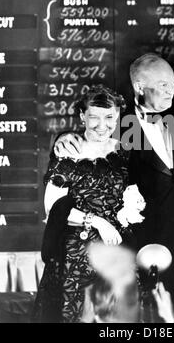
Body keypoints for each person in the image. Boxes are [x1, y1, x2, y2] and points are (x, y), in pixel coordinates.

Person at [53, 0, 174, 322]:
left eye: (173, 84)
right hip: (147, 230)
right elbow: (88, 138)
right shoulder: (119, 125)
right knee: (150, 312)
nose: (172, 91)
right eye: (163, 86)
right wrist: (65, 137)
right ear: (139, 87)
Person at [32, 85, 145, 323]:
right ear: (82, 116)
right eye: (94, 117)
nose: (102, 125)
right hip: (76, 255)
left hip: (116, 251)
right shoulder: (67, 150)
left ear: (118, 117)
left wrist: (133, 206)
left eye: (109, 118)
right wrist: (99, 222)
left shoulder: (124, 151)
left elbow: (129, 193)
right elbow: (52, 208)